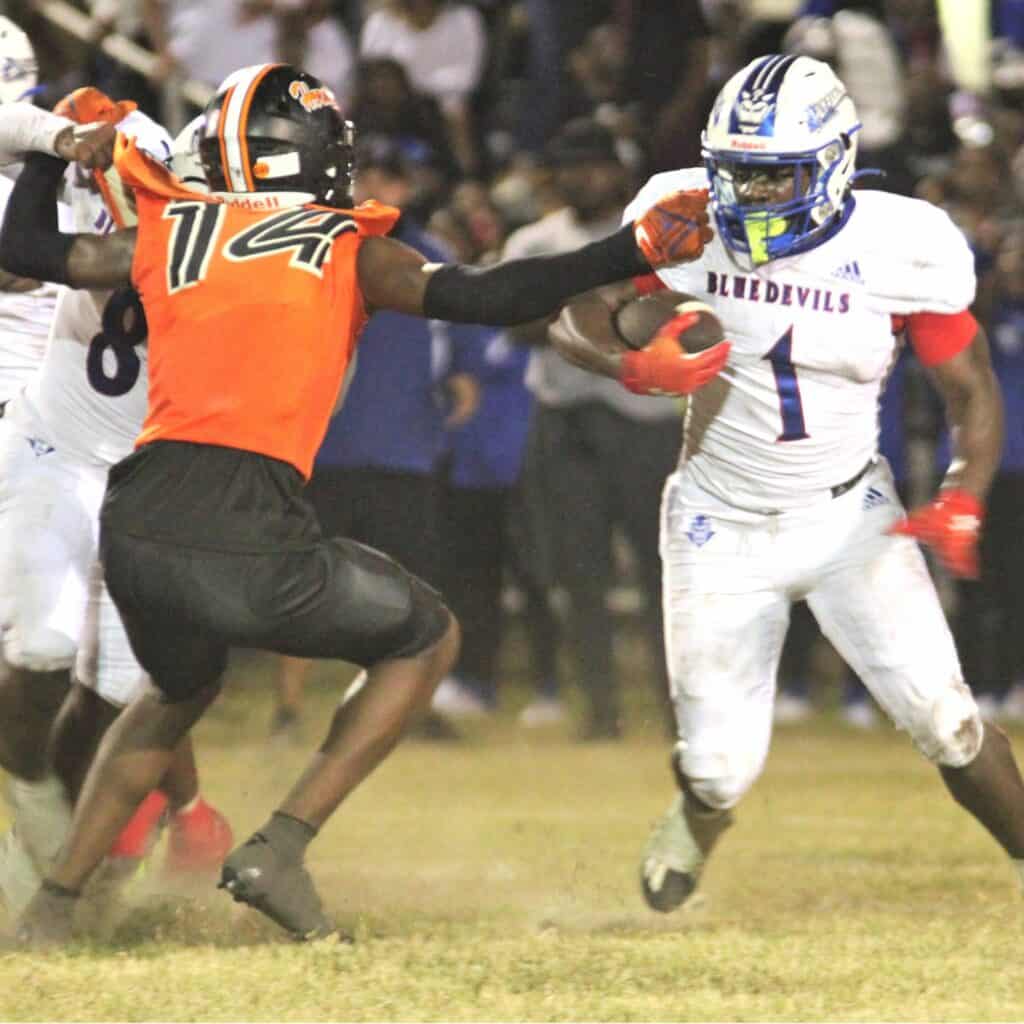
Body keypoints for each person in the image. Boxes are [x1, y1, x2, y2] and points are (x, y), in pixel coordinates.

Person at [0, 61, 724, 943]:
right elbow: (495, 295)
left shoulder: (173, 227)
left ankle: (58, 903)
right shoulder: (346, 243)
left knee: (175, 691)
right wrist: (634, 249)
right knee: (427, 637)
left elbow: (29, 251)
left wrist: (48, 154)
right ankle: (281, 847)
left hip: (138, 513)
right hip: (244, 516)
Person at [548, 54, 1024, 912]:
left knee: (949, 721)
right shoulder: (684, 217)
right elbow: (579, 309)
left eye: (775, 178)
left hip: (851, 515)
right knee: (720, 768)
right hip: (716, 522)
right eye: (737, 176)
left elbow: (970, 388)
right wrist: (627, 362)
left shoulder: (902, 247)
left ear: (836, 163)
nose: (752, 198)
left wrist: (964, 492)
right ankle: (701, 814)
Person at [0, 94, 232, 919]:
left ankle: (76, 861)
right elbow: (18, 248)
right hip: (50, 453)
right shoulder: (103, 170)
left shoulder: (226, 240)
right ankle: (31, 802)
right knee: (46, 649)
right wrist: (62, 138)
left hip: (144, 480)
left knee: (119, 696)